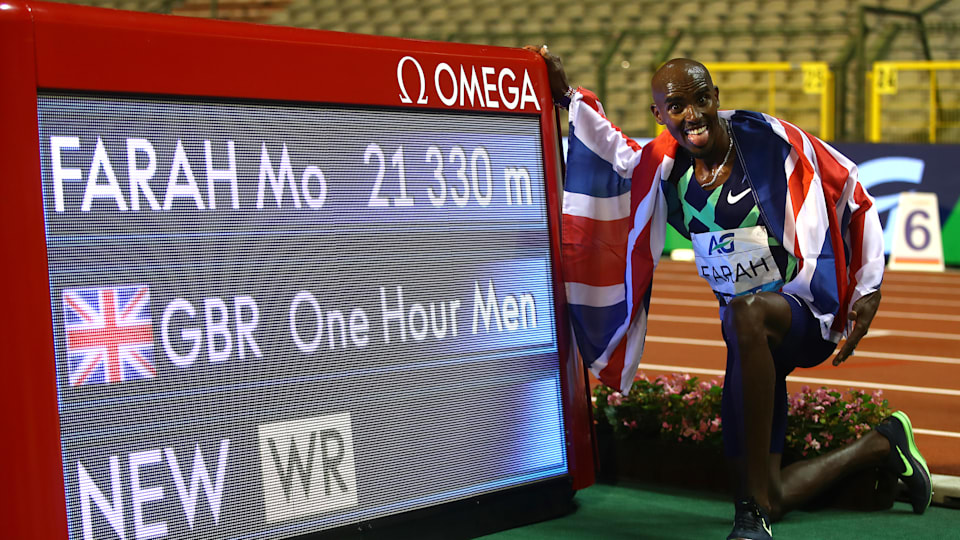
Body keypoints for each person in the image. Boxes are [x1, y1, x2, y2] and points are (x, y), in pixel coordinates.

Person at [531, 46, 932, 539]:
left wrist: (869, 287)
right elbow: (617, 158)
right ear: (660, 115)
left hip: (803, 312)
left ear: (715, 96)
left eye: (701, 100)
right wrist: (566, 94)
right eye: (676, 107)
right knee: (772, 492)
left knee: (745, 314)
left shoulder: (767, 140)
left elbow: (849, 184)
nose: (692, 115)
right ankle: (881, 445)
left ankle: (749, 513)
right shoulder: (666, 165)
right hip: (749, 339)